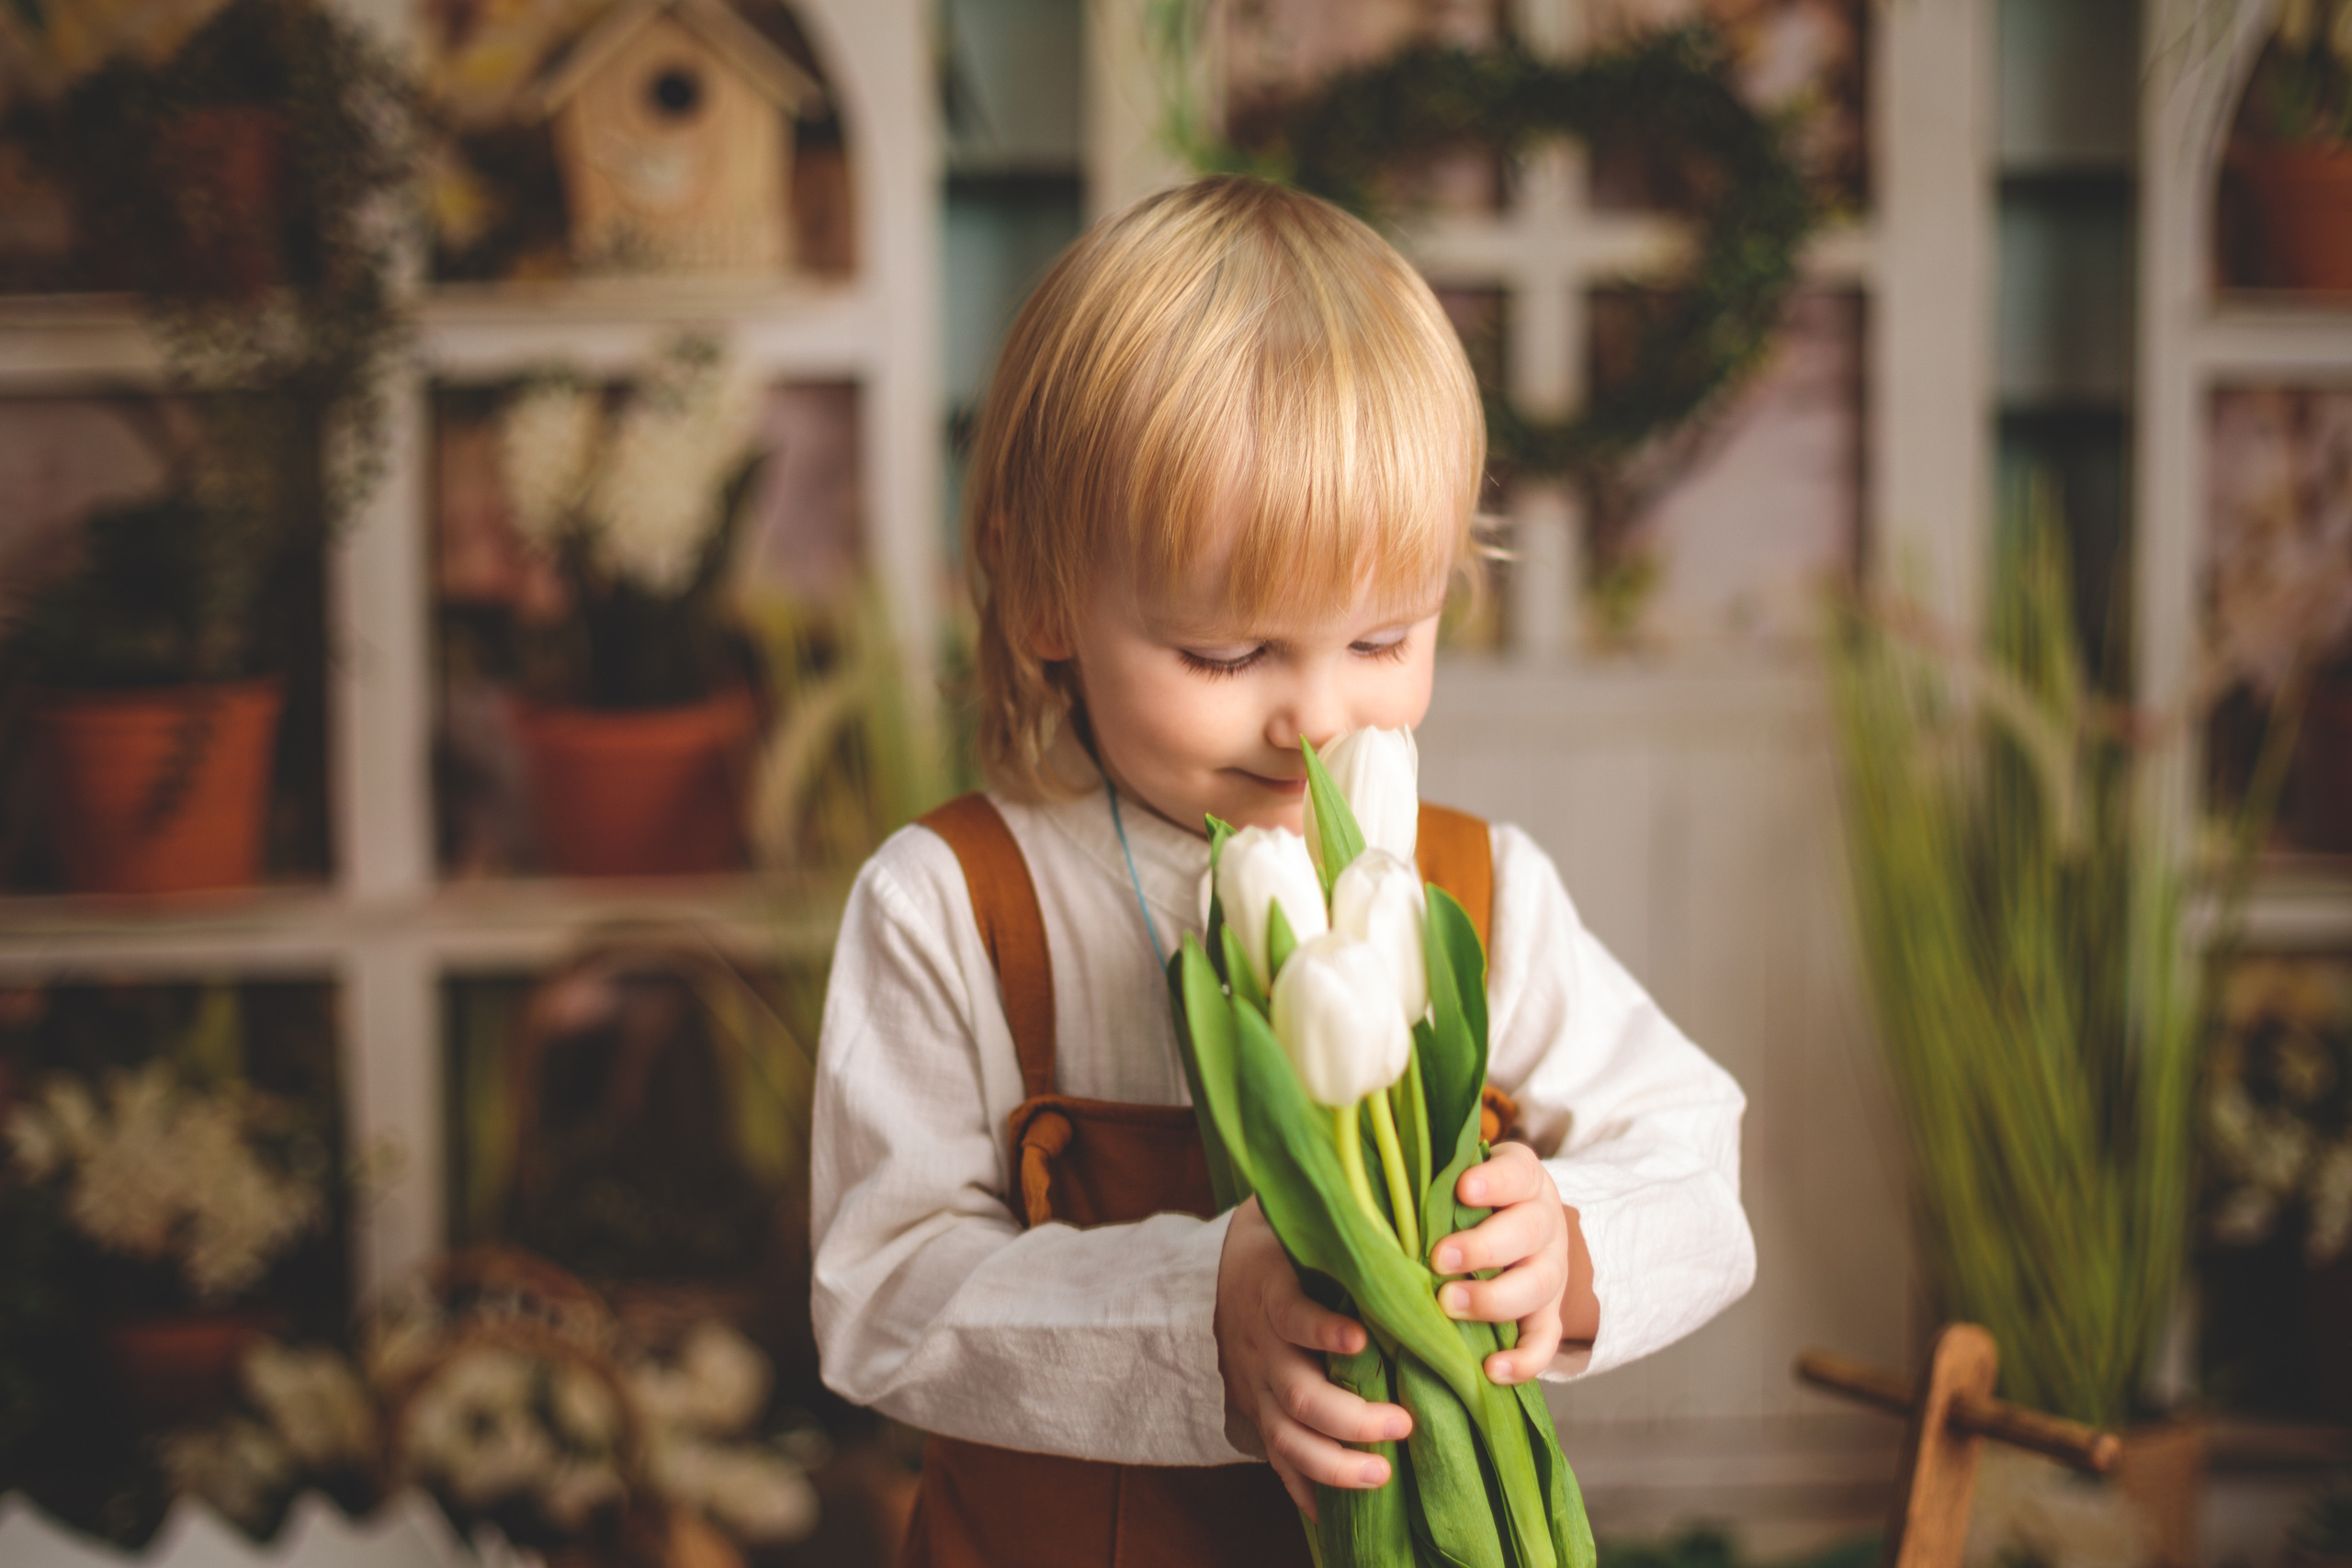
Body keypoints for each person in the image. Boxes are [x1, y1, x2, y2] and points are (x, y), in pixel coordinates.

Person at [808, 175, 1754, 1568]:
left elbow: (1695, 1160)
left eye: (1383, 640)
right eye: (1226, 654)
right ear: (1046, 593)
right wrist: (1201, 1306)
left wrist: (1573, 1242)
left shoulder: (1472, 890)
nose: (1318, 716)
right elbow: (882, 1293)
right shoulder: (951, 905)